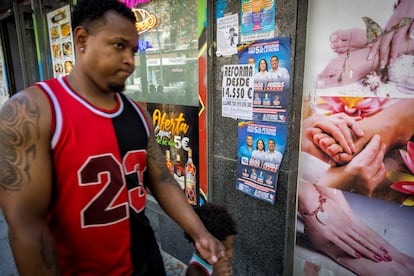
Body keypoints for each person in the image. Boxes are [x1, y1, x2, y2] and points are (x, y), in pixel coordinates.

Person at [0, 1, 224, 275]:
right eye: (118, 46)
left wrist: (200, 233)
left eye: (132, 50)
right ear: (82, 40)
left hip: (146, 263)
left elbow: (163, 181)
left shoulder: (137, 114)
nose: (130, 60)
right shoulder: (32, 111)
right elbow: (25, 224)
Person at [185, 203, 238, 276]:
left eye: (232, 245)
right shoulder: (195, 271)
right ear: (204, 246)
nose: (231, 254)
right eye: (225, 249)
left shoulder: (221, 264)